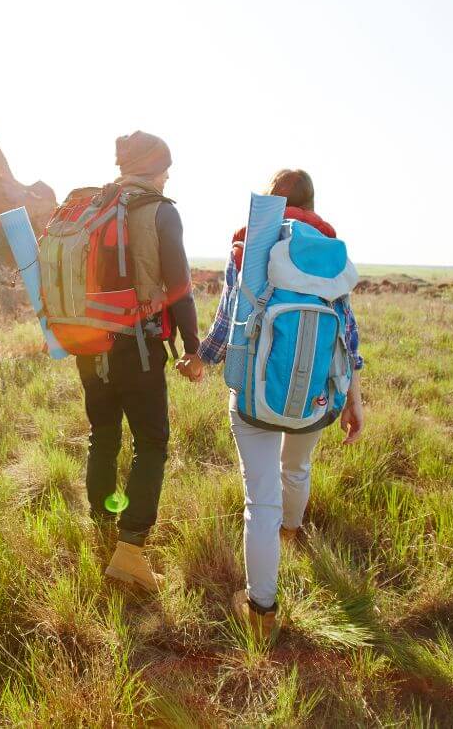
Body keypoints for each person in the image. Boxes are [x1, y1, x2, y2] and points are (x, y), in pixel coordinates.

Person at [179, 168, 365, 639]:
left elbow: (228, 320)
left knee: (259, 500)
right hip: (318, 396)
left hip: (253, 397)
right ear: (312, 203)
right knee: (297, 469)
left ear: (271, 201)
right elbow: (346, 333)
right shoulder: (330, 253)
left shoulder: (252, 243)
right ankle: (292, 534)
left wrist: (201, 359)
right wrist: (352, 399)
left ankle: (261, 610)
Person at [81, 131, 200, 593]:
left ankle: (102, 528)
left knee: (103, 436)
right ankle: (129, 550)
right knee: (151, 442)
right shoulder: (159, 211)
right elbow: (180, 288)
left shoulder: (93, 208)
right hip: (140, 346)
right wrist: (193, 348)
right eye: (166, 168)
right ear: (153, 168)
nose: (168, 177)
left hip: (90, 345)